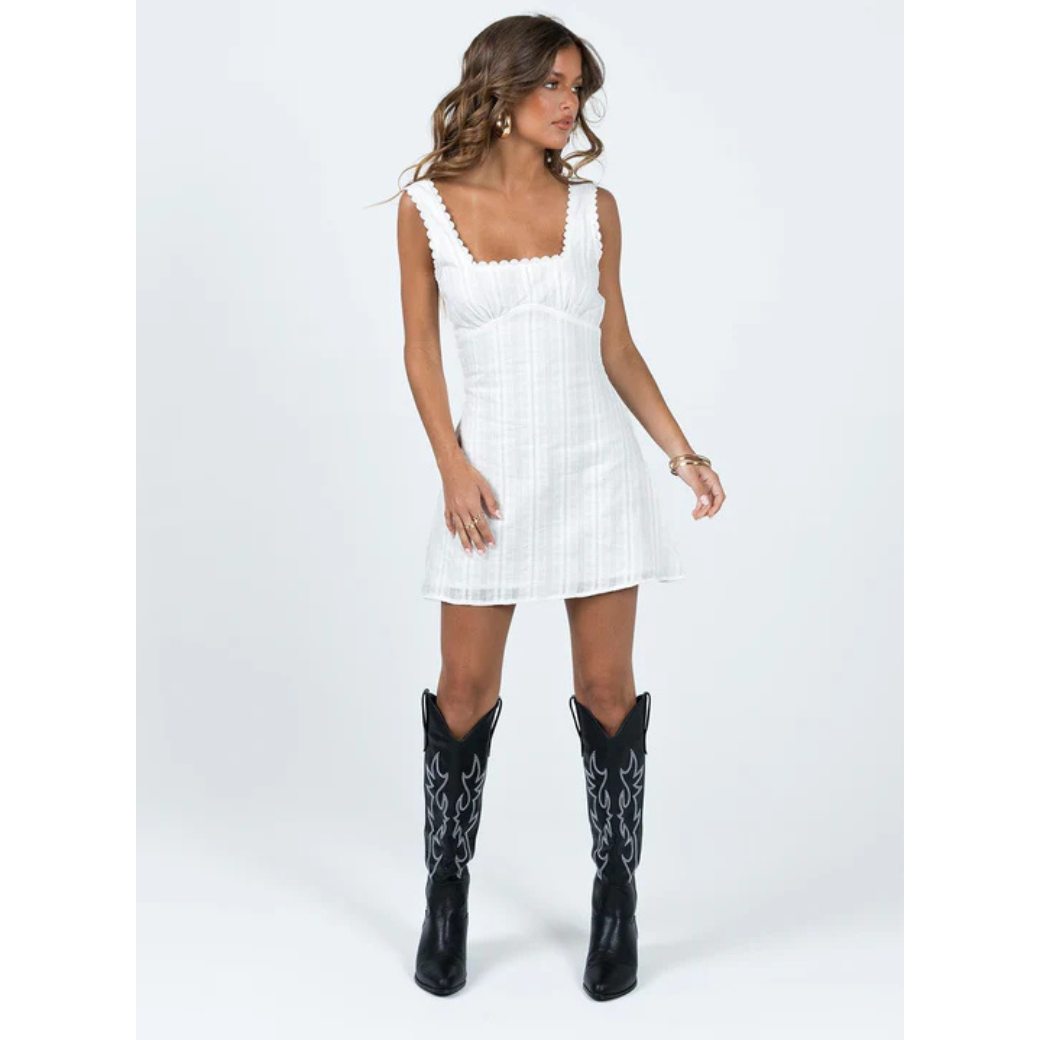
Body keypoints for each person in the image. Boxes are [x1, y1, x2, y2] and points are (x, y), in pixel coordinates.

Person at [394, 14, 725, 1000]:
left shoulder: (594, 209)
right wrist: (450, 464)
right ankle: (445, 895)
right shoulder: (426, 207)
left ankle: (615, 898)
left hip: (595, 472)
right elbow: (419, 349)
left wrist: (679, 451)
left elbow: (615, 346)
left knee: (608, 690)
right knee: (461, 692)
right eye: (552, 85)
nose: (569, 105)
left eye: (577, 87)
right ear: (500, 91)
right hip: (488, 481)